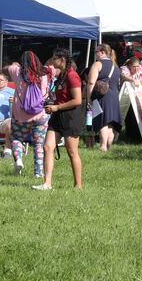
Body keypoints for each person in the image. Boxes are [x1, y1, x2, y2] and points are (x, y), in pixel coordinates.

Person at [34, 50, 82, 190]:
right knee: (47, 147)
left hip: (70, 116)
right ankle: (47, 183)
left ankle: (78, 185)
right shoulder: (60, 76)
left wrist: (57, 107)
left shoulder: (72, 76)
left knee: (71, 151)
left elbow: (77, 100)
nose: (51, 61)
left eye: (54, 58)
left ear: (62, 60)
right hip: (57, 115)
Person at [7, 52, 50, 177]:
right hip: (40, 116)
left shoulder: (17, 72)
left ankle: (19, 159)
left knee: (16, 138)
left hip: (20, 116)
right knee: (38, 144)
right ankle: (38, 172)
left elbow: (9, 67)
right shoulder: (43, 75)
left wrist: (15, 64)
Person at [87, 44, 121, 152]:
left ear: (102, 52)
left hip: (101, 96)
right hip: (114, 96)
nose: (95, 54)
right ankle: (109, 145)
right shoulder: (115, 65)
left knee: (102, 121)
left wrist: (89, 98)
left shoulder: (97, 64)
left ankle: (103, 146)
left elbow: (91, 82)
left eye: (96, 51)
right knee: (110, 122)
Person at [121, 58, 142, 125]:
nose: (136, 68)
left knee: (138, 111)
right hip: (125, 94)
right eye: (134, 67)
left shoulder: (140, 68)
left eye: (137, 66)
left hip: (136, 93)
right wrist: (133, 80)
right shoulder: (124, 68)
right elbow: (124, 76)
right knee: (128, 113)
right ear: (130, 65)